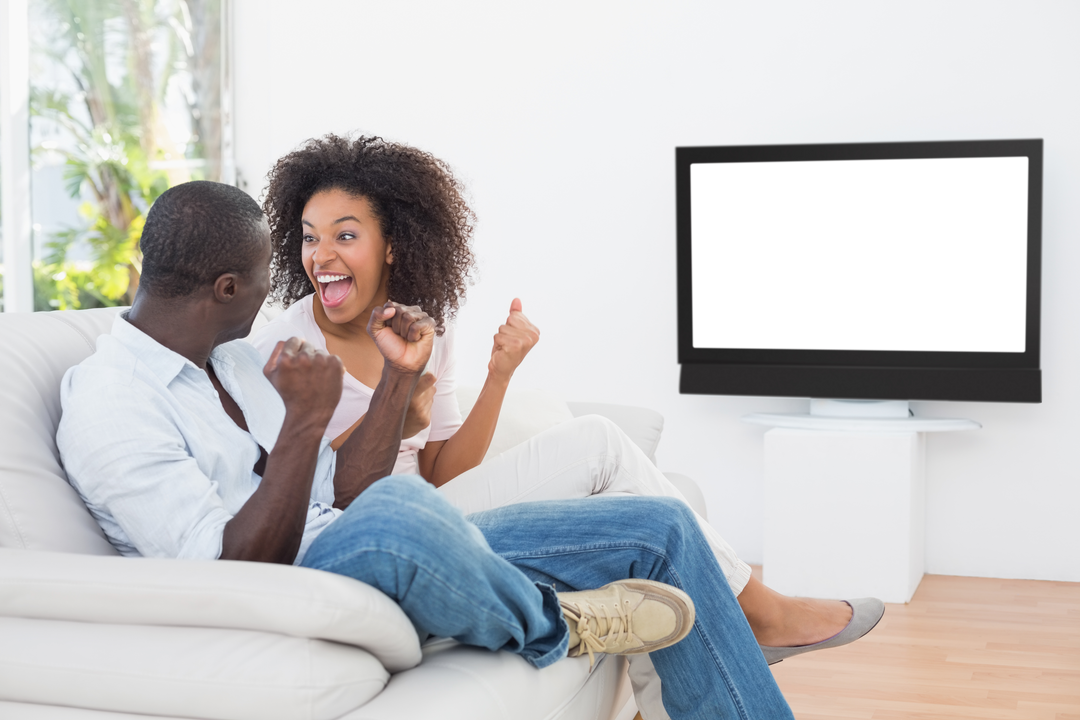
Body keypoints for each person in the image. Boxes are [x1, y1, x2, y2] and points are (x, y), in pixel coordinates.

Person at [56, 180, 798, 720]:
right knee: (401, 512)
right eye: (260, 280)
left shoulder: (237, 363)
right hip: (287, 584)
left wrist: (396, 384)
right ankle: (555, 623)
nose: (281, 291)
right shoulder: (109, 402)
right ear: (224, 287)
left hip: (366, 536)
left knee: (657, 526)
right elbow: (228, 573)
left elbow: (341, 492)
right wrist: (303, 427)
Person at [250, 135, 884, 699]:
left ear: (393, 247)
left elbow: (443, 472)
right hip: (389, 534)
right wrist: (398, 405)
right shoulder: (285, 350)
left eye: (346, 234)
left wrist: (498, 376)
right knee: (617, 473)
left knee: (604, 449)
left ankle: (740, 625)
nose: (321, 255)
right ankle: (761, 611)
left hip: (440, 503)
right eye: (309, 235)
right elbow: (314, 492)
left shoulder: (419, 324)